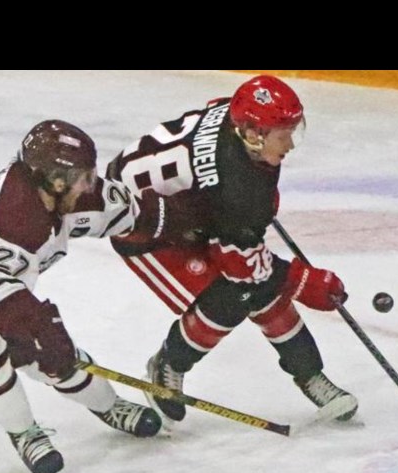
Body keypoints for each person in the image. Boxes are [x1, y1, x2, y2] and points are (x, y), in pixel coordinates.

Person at [0, 120, 198, 473]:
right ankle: (23, 430)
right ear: (55, 181)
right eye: (82, 177)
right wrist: (40, 337)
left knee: (49, 351)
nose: (90, 185)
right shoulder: (13, 219)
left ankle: (109, 406)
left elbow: (137, 214)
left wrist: (202, 218)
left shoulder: (68, 195)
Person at [106, 74, 358, 428]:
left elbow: (216, 110)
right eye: (283, 135)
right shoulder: (234, 185)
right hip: (142, 224)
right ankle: (168, 364)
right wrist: (303, 281)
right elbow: (243, 266)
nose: (291, 145)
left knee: (257, 284)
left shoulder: (237, 124)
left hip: (188, 205)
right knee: (231, 295)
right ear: (253, 135)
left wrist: (249, 213)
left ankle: (310, 374)